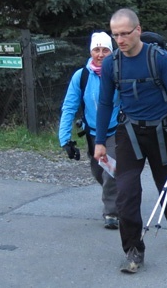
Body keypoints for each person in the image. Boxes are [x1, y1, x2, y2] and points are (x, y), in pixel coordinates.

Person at [94, 8, 167, 274]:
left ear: (138, 30)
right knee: (126, 195)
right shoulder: (112, 63)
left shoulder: (158, 58)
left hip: (163, 131)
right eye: (115, 35)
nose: (120, 40)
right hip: (129, 133)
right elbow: (104, 103)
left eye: (125, 33)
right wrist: (100, 141)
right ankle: (134, 251)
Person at [58, 32, 119, 230]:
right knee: (97, 171)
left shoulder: (119, 72)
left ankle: (111, 212)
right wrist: (65, 139)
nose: (100, 54)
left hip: (116, 130)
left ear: (112, 51)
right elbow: (69, 106)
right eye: (96, 50)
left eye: (105, 50)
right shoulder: (81, 76)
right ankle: (120, 193)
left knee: (110, 170)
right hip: (92, 132)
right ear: (91, 51)